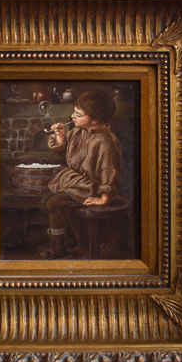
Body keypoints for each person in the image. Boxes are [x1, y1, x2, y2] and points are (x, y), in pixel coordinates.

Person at [39, 89, 122, 259]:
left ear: (95, 119)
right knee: (45, 198)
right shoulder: (78, 131)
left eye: (78, 115)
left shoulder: (105, 142)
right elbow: (64, 150)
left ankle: (57, 246)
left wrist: (104, 197)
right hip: (72, 180)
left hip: (89, 186)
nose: (72, 117)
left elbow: (109, 171)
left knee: (55, 202)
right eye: (74, 113)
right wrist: (60, 136)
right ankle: (69, 239)